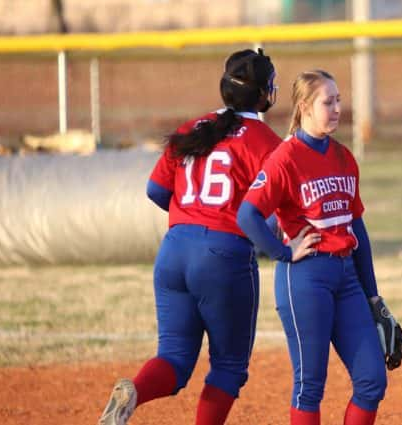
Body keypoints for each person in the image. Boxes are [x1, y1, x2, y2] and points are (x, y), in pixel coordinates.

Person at [98, 48, 283, 425]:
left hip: (173, 251)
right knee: (229, 366)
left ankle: (136, 390)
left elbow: (155, 190)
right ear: (264, 94)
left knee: (174, 357)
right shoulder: (265, 140)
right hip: (223, 252)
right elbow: (281, 207)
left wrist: (189, 216)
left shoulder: (192, 127)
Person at [237, 69, 389, 425]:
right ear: (304, 106)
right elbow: (248, 216)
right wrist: (284, 253)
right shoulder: (284, 157)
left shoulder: (344, 157)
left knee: (371, 380)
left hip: (347, 277)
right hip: (306, 278)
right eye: (328, 101)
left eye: (339, 100)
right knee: (310, 384)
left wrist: (373, 295)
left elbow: (358, 229)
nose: (337, 108)